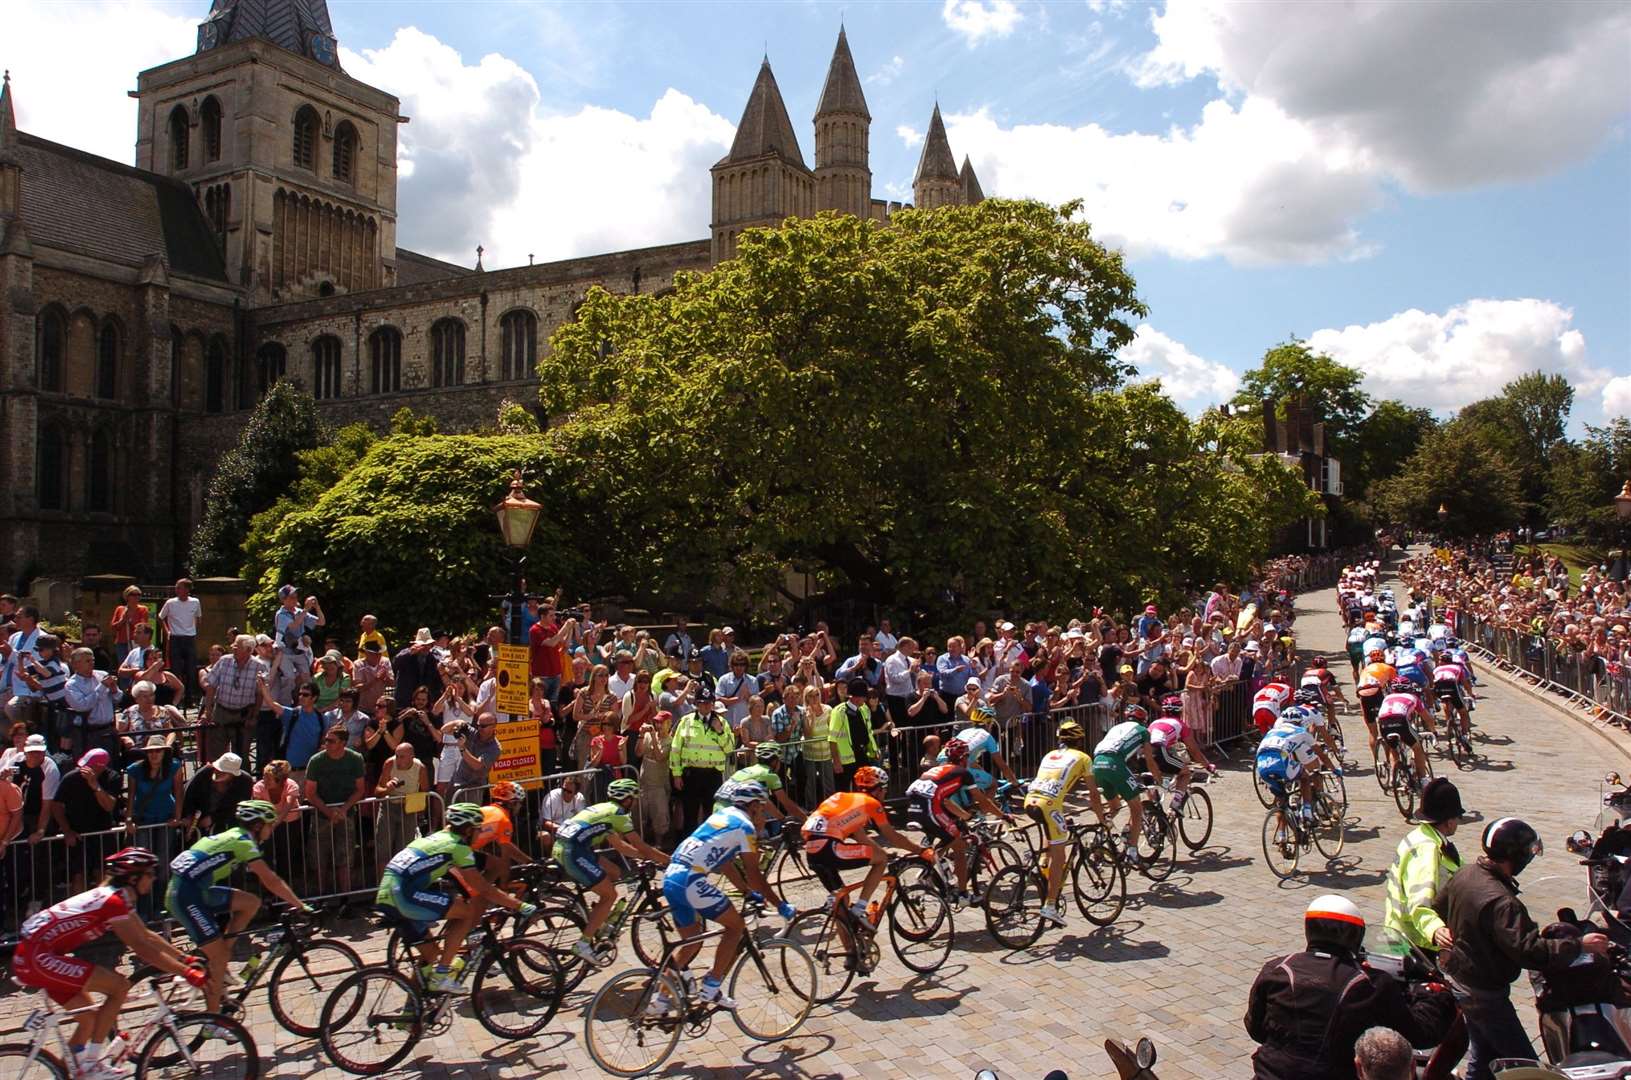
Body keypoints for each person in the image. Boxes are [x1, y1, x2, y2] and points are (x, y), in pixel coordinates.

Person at [1434, 817, 1612, 1080]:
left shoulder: (1465, 873)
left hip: (1462, 979)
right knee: (1527, 1069)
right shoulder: (1502, 902)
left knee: (1483, 1057)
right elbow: (1530, 952)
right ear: (1515, 855)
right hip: (1486, 993)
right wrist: (1579, 944)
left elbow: (1438, 907)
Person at [11, 848, 208, 1080]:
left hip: (36, 955)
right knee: (119, 986)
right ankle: (93, 1064)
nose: (154, 878)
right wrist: (186, 972)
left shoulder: (116, 896)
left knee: (90, 1020)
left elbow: (145, 934)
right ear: (133, 878)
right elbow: (141, 948)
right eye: (149, 873)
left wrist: (185, 959)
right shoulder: (113, 901)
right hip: (38, 957)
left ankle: (70, 1074)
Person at [1245, 895, 1456, 1080]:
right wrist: (1432, 995)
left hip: (1270, 1074)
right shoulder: (1370, 984)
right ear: (1355, 935)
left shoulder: (1277, 969)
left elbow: (1255, 1028)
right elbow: (1420, 1033)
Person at [656, 782, 796, 1010]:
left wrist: (747, 893)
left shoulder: (723, 816)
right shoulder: (745, 827)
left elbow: (726, 864)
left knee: (690, 942)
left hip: (672, 877)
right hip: (690, 880)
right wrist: (780, 905)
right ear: (752, 806)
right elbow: (755, 874)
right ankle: (711, 986)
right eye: (761, 809)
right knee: (735, 927)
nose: (762, 814)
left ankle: (660, 1000)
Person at [166, 799, 314, 1012]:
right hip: (185, 896)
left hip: (195, 889)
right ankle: (213, 1020)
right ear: (257, 826)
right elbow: (270, 879)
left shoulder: (236, 835)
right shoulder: (243, 842)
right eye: (269, 824)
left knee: (251, 903)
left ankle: (222, 957)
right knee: (219, 958)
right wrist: (300, 905)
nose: (271, 829)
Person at [375, 802, 537, 992]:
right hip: (403, 895)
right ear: (468, 830)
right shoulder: (457, 846)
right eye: (478, 830)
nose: (479, 834)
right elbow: (483, 888)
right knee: (467, 912)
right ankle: (442, 975)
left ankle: (410, 1016)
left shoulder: (437, 838)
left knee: (430, 954)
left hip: (386, 894)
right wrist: (519, 905)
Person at [555, 778, 670, 963]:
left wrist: (643, 858)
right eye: (633, 798)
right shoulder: (618, 814)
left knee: (615, 872)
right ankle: (583, 944)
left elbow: (621, 846)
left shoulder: (604, 809)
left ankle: (600, 921)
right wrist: (669, 861)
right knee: (610, 895)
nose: (634, 803)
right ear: (626, 799)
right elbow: (642, 846)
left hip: (572, 848)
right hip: (573, 852)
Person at [803, 766, 930, 925]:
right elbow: (892, 836)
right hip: (830, 848)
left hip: (812, 850)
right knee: (881, 860)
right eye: (885, 789)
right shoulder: (871, 803)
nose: (885, 793)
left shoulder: (843, 798)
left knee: (841, 903)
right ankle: (860, 908)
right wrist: (921, 850)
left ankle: (851, 948)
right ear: (878, 789)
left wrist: (879, 850)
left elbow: (861, 837)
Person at [908, 737, 1010, 908]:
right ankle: (962, 894)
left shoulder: (939, 769)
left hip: (914, 805)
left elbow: (946, 802)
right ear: (964, 758)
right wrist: (1003, 815)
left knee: (950, 837)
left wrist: (965, 816)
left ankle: (931, 866)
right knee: (959, 845)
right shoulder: (963, 773)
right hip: (929, 807)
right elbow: (983, 801)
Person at [1022, 720, 1096, 926]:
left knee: (1054, 832)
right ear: (1080, 740)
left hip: (1031, 801)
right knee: (1060, 854)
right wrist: (1101, 818)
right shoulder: (1083, 758)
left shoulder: (1049, 754)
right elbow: (1093, 793)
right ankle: (1050, 905)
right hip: (1049, 805)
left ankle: (1041, 866)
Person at [1091, 705, 1161, 859]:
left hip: (1097, 762)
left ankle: (1098, 838)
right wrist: (1158, 778)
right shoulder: (1143, 731)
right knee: (1136, 808)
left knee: (1115, 806)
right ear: (1143, 720)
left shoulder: (1117, 727)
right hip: (1114, 762)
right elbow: (1149, 759)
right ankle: (1133, 851)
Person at [669, 690, 736, 835]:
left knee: (712, 815)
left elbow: (730, 749)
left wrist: (720, 732)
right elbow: (675, 749)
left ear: (712, 704)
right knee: (690, 815)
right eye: (701, 703)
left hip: (712, 774)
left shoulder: (722, 722)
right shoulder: (686, 721)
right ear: (696, 704)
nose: (705, 707)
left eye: (708, 703)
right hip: (691, 774)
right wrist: (676, 775)